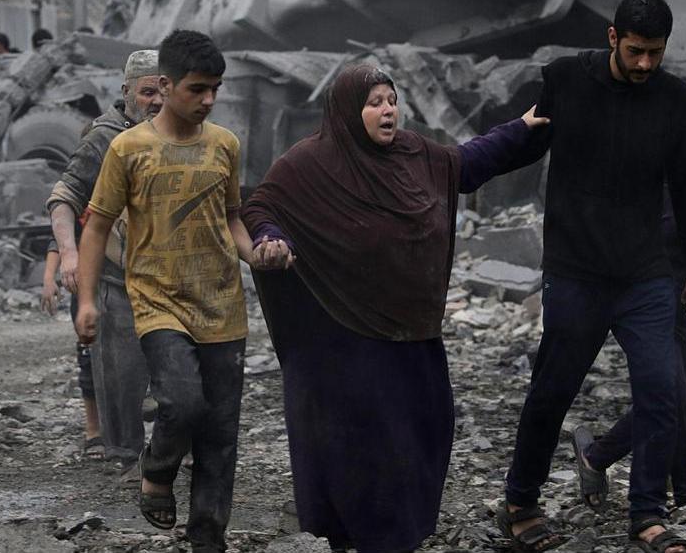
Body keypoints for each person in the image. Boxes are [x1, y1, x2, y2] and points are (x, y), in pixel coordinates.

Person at [242, 63, 550, 553]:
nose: (387, 111)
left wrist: (522, 128)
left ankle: (400, 536)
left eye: (391, 100)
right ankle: (367, 539)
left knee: (425, 431)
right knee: (364, 448)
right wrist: (271, 238)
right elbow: (261, 208)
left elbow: (466, 164)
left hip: (412, 332)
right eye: (374, 103)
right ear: (347, 111)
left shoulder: (415, 154)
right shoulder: (309, 164)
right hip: (344, 338)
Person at [499, 0, 686, 553]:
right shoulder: (565, 81)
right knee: (553, 389)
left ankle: (647, 514)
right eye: (637, 51)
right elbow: (525, 145)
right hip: (576, 271)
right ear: (613, 38)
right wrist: (454, 168)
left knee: (663, 389)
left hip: (643, 275)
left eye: (656, 54)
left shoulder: (674, 103)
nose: (645, 65)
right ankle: (521, 501)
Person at [74, 29, 286, 552]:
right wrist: (84, 299)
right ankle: (159, 464)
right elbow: (97, 225)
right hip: (158, 301)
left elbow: (232, 218)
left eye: (215, 88)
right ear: (165, 86)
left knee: (220, 436)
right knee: (183, 403)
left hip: (222, 305)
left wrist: (254, 252)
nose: (208, 99)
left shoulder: (225, 145)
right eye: (197, 89)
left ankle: (208, 537)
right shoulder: (128, 148)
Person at [572, 184, 686, 512]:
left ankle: (596, 457)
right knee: (669, 395)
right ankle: (682, 494)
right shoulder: (635, 173)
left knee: (676, 397)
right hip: (649, 303)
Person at [46, 50, 163, 464]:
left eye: (164, 89)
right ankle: (123, 460)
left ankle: (166, 455)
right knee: (119, 386)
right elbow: (64, 196)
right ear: (127, 91)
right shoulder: (105, 137)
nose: (157, 101)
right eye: (147, 91)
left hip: (173, 279)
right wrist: (69, 254)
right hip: (118, 277)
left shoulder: (187, 132)